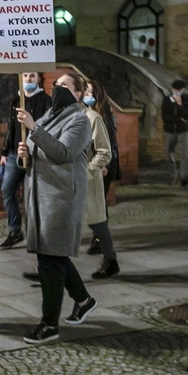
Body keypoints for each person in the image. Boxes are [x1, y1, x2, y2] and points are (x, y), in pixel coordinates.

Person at [15, 73, 97, 345]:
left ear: (77, 94)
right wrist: (24, 154)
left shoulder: (79, 120)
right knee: (55, 256)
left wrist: (33, 129)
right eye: (56, 84)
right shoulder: (49, 115)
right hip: (39, 196)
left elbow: (63, 152)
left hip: (61, 198)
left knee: (49, 261)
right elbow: (36, 149)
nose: (58, 89)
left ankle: (49, 324)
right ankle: (84, 300)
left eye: (65, 86)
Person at [0, 72, 51, 254]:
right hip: (15, 154)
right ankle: (15, 229)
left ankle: (37, 234)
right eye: (26, 76)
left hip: (35, 154)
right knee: (7, 190)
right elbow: (11, 128)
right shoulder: (16, 100)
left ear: (38, 79)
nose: (29, 79)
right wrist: (5, 152)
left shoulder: (45, 100)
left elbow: (45, 129)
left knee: (32, 196)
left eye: (32, 76)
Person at [82, 79, 120, 280]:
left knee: (97, 211)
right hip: (92, 167)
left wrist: (101, 164)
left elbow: (108, 143)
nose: (86, 93)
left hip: (101, 167)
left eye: (88, 90)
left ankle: (108, 255)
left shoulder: (101, 114)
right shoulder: (81, 113)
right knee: (94, 211)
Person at [161, 79, 188, 186]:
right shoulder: (166, 100)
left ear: (183, 90)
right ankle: (173, 175)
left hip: (182, 131)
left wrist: (180, 104)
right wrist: (179, 118)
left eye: (179, 90)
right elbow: (165, 117)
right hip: (169, 131)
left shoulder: (187, 100)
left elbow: (187, 115)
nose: (177, 91)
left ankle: (183, 177)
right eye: (175, 89)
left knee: (184, 155)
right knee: (169, 154)